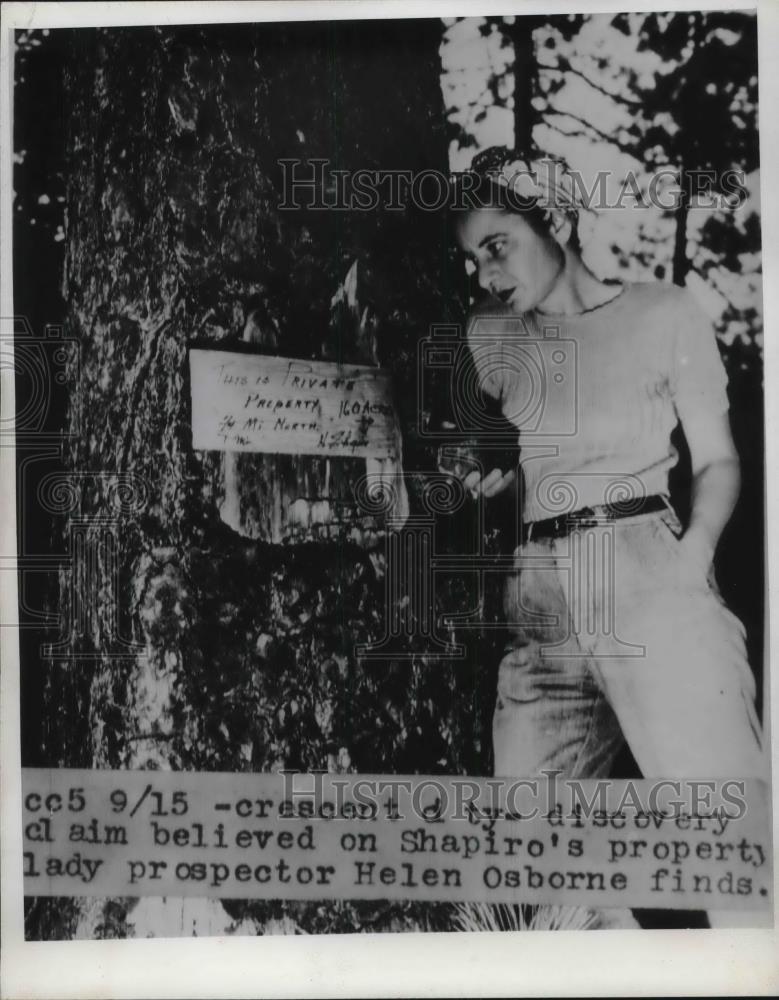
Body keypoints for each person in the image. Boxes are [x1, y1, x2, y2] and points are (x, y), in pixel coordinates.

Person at [442, 148, 766, 925]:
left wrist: (691, 559)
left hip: (646, 573)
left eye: (497, 245)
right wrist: (479, 476)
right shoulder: (490, 337)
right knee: (539, 867)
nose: (486, 274)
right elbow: (506, 455)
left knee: (724, 840)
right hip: (541, 599)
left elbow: (718, 461)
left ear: (552, 219)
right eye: (470, 260)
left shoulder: (663, 313)